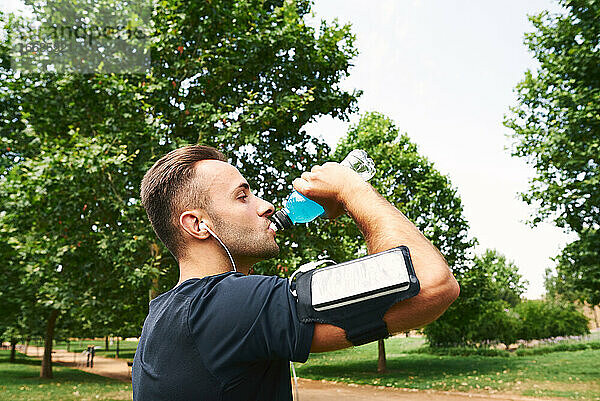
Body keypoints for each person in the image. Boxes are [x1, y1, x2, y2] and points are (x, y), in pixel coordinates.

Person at [133, 145, 459, 400]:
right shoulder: (228, 305)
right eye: (242, 196)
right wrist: (352, 190)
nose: (266, 206)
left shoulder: (162, 315)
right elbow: (431, 282)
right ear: (198, 224)